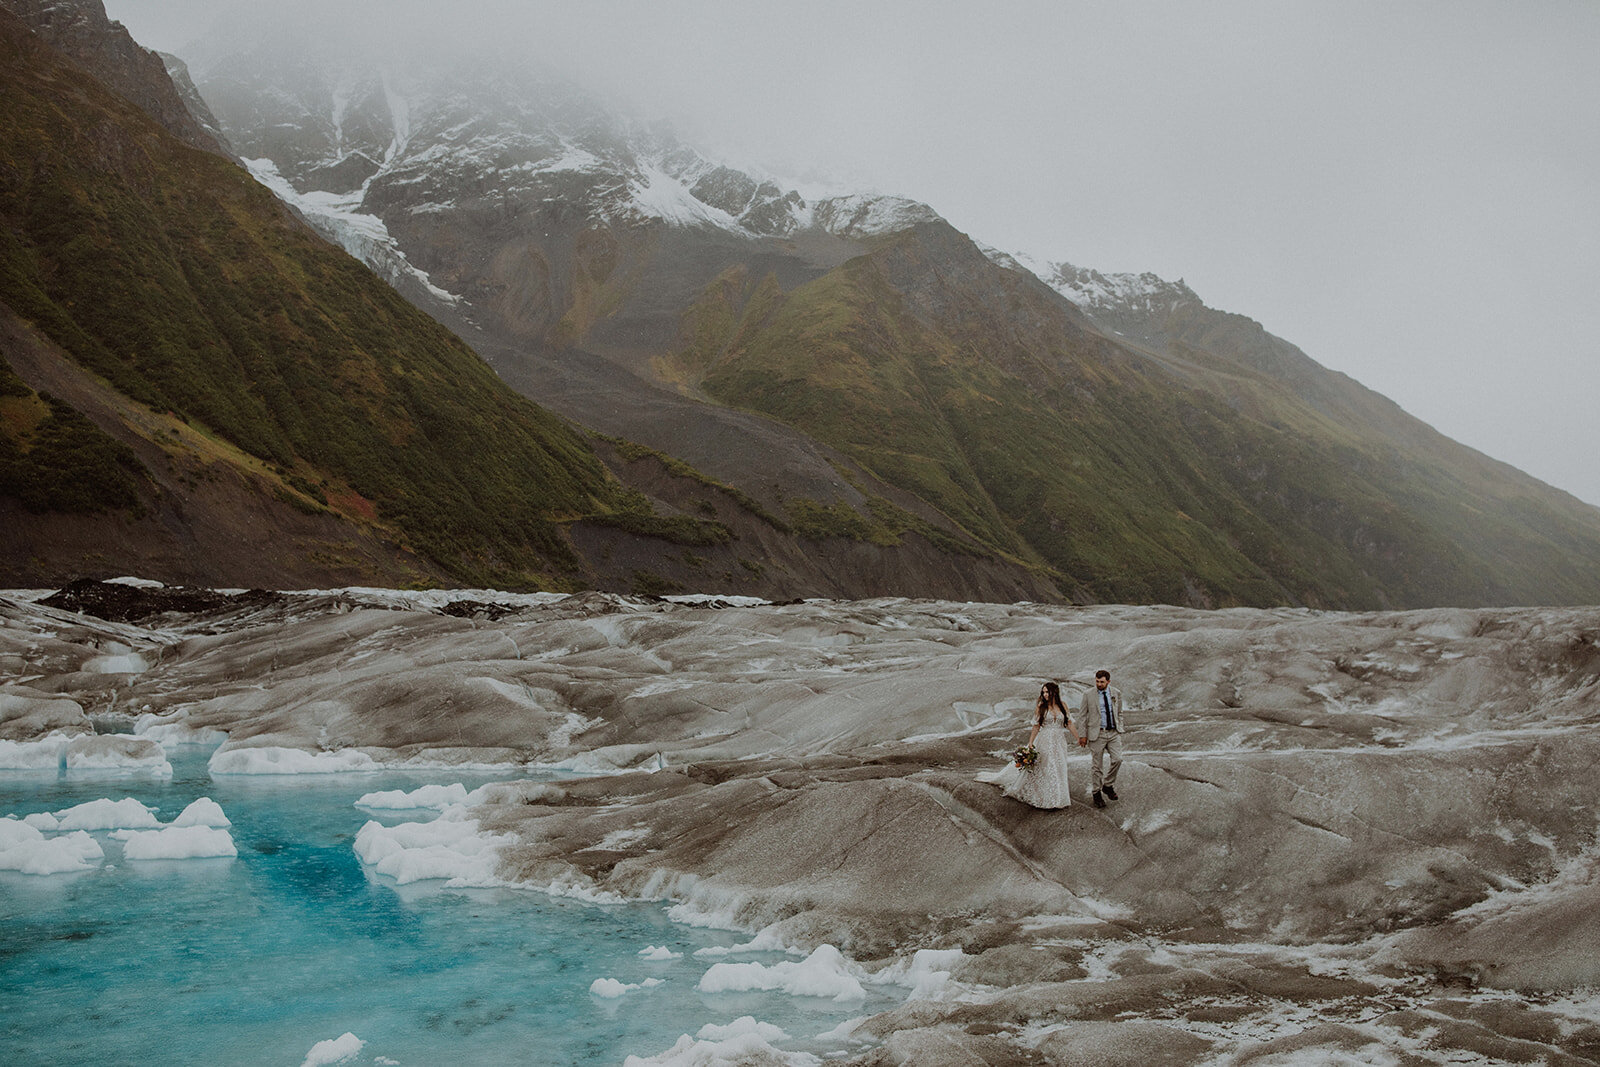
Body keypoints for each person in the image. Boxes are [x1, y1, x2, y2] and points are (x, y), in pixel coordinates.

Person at [976, 682, 1081, 808]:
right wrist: (1031, 743)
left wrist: (1079, 738)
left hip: (1059, 741)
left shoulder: (1063, 705)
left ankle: (1058, 796)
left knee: (1059, 765)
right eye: (1043, 692)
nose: (1045, 694)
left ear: (1055, 692)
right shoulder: (1041, 707)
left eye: (1047, 692)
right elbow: (1036, 726)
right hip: (1044, 740)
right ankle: (1046, 797)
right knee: (1047, 766)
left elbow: (1069, 723)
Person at [1075, 669, 1125, 808]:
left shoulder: (1116, 692)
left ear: (1108, 681)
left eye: (1102, 682)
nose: (1099, 684)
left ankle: (1108, 785)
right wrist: (1082, 735)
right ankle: (1096, 793)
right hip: (1097, 734)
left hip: (1113, 732)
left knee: (1118, 759)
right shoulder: (1088, 694)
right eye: (1097, 681)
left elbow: (1119, 711)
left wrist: (1119, 726)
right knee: (1097, 766)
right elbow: (1082, 716)